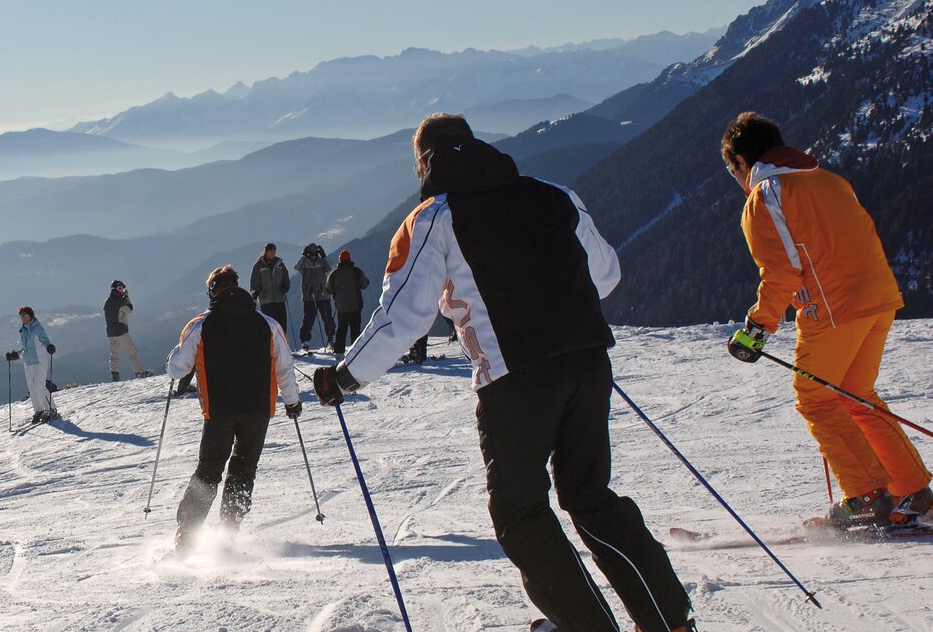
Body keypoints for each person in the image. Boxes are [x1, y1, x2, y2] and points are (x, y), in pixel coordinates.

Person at [312, 114, 693, 631]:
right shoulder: (554, 193)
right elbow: (606, 274)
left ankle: (585, 624)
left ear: (424, 162)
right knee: (589, 496)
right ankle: (670, 620)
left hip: (516, 378)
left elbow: (403, 317)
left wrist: (344, 377)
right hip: (587, 358)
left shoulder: (432, 218)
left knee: (519, 511)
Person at [720, 112, 933, 527]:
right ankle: (909, 486)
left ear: (742, 161)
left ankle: (867, 493)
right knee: (855, 393)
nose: (735, 179)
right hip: (880, 299)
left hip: (834, 308)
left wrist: (757, 329)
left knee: (815, 397)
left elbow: (781, 272)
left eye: (732, 170)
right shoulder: (831, 181)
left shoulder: (766, 194)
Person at [164, 265, 303, 554]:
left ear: (212, 290)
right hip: (258, 409)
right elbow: (285, 367)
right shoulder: (266, 323)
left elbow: (177, 370)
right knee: (244, 467)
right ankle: (229, 528)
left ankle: (187, 534)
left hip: (220, 410)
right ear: (238, 287)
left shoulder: (201, 324)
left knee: (209, 469)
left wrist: (173, 354)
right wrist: (292, 402)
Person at [9, 305, 60, 423]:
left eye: (25, 315)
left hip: (40, 361)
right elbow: (24, 348)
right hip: (28, 362)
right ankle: (39, 410)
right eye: (21, 316)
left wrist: (50, 347)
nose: (23, 318)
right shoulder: (23, 330)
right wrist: (15, 355)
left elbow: (45, 340)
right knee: (32, 389)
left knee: (39, 386)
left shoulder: (37, 328)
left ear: (31, 316)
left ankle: (51, 409)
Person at [327, 249, 370, 356]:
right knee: (355, 329)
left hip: (341, 306)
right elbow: (364, 284)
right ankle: (355, 352)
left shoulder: (334, 274)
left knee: (341, 329)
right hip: (355, 305)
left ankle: (339, 352)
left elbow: (329, 289)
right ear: (349, 259)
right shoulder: (356, 271)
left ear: (340, 260)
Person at [294, 243, 336, 353]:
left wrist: (324, 256)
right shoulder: (304, 262)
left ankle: (331, 338)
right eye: (310, 254)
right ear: (307, 254)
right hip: (309, 295)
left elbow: (330, 267)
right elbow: (297, 267)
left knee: (327, 318)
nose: (313, 256)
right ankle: (305, 340)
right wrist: (302, 257)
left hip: (323, 294)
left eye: (315, 254)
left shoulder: (321, 261)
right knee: (308, 319)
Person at [248, 243, 292, 349]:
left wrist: (285, 287)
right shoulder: (258, 266)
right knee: (269, 325)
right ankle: (271, 348)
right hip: (266, 301)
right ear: (266, 252)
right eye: (271, 251)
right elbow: (254, 281)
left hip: (279, 299)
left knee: (282, 325)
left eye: (274, 251)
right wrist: (256, 292)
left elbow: (286, 278)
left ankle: (283, 347)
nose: (273, 253)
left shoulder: (280, 265)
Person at [105, 281, 150, 380]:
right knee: (132, 352)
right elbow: (130, 309)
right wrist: (126, 297)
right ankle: (139, 373)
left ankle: (115, 376)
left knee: (114, 354)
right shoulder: (121, 301)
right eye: (120, 288)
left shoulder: (108, 301)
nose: (122, 290)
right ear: (116, 289)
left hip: (110, 332)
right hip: (120, 331)